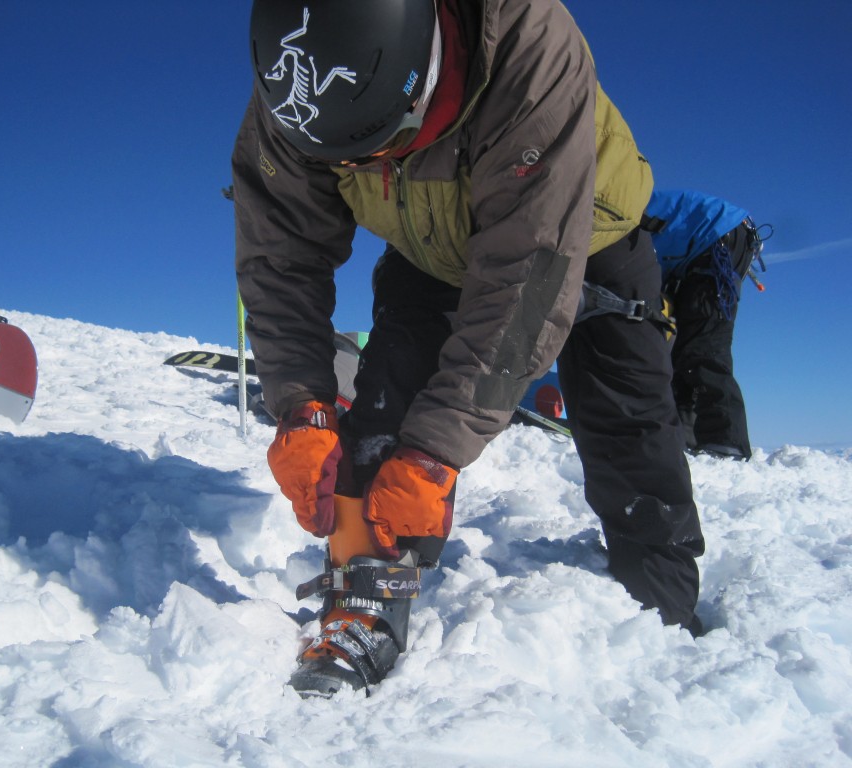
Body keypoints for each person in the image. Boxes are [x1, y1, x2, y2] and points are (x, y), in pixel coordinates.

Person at [233, 0, 704, 697]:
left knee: (626, 423)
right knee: (382, 411)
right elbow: (281, 260)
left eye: (383, 143)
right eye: (349, 161)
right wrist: (301, 406)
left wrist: (437, 452)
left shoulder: (527, 43)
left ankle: (662, 609)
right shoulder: (298, 88)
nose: (371, 167)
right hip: (428, 252)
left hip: (587, 230)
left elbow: (528, 277)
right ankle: (364, 602)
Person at [643, 190, 768, 461]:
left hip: (717, 241)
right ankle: (686, 435)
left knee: (703, 347)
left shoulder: (602, 222)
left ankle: (725, 442)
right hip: (716, 242)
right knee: (683, 349)